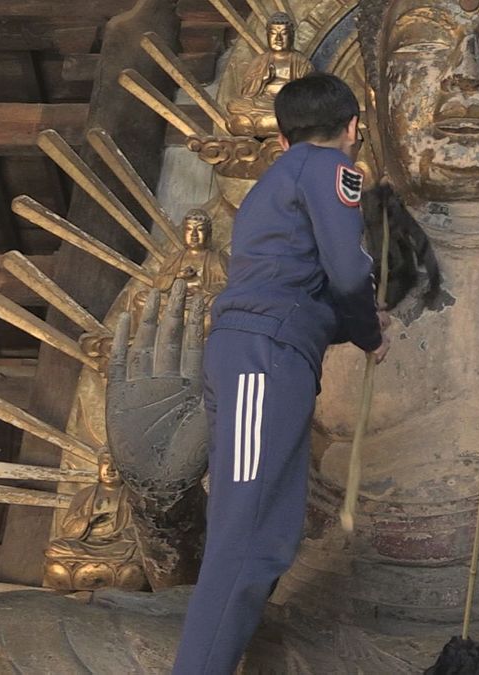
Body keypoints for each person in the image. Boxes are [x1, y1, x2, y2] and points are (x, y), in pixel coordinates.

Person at [174, 72, 390, 674]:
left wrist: (353, 324)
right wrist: (369, 329)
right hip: (264, 360)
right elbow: (347, 270)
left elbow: (298, 282)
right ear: (352, 128)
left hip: (267, 353)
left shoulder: (275, 183)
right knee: (245, 537)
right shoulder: (327, 170)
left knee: (266, 536)